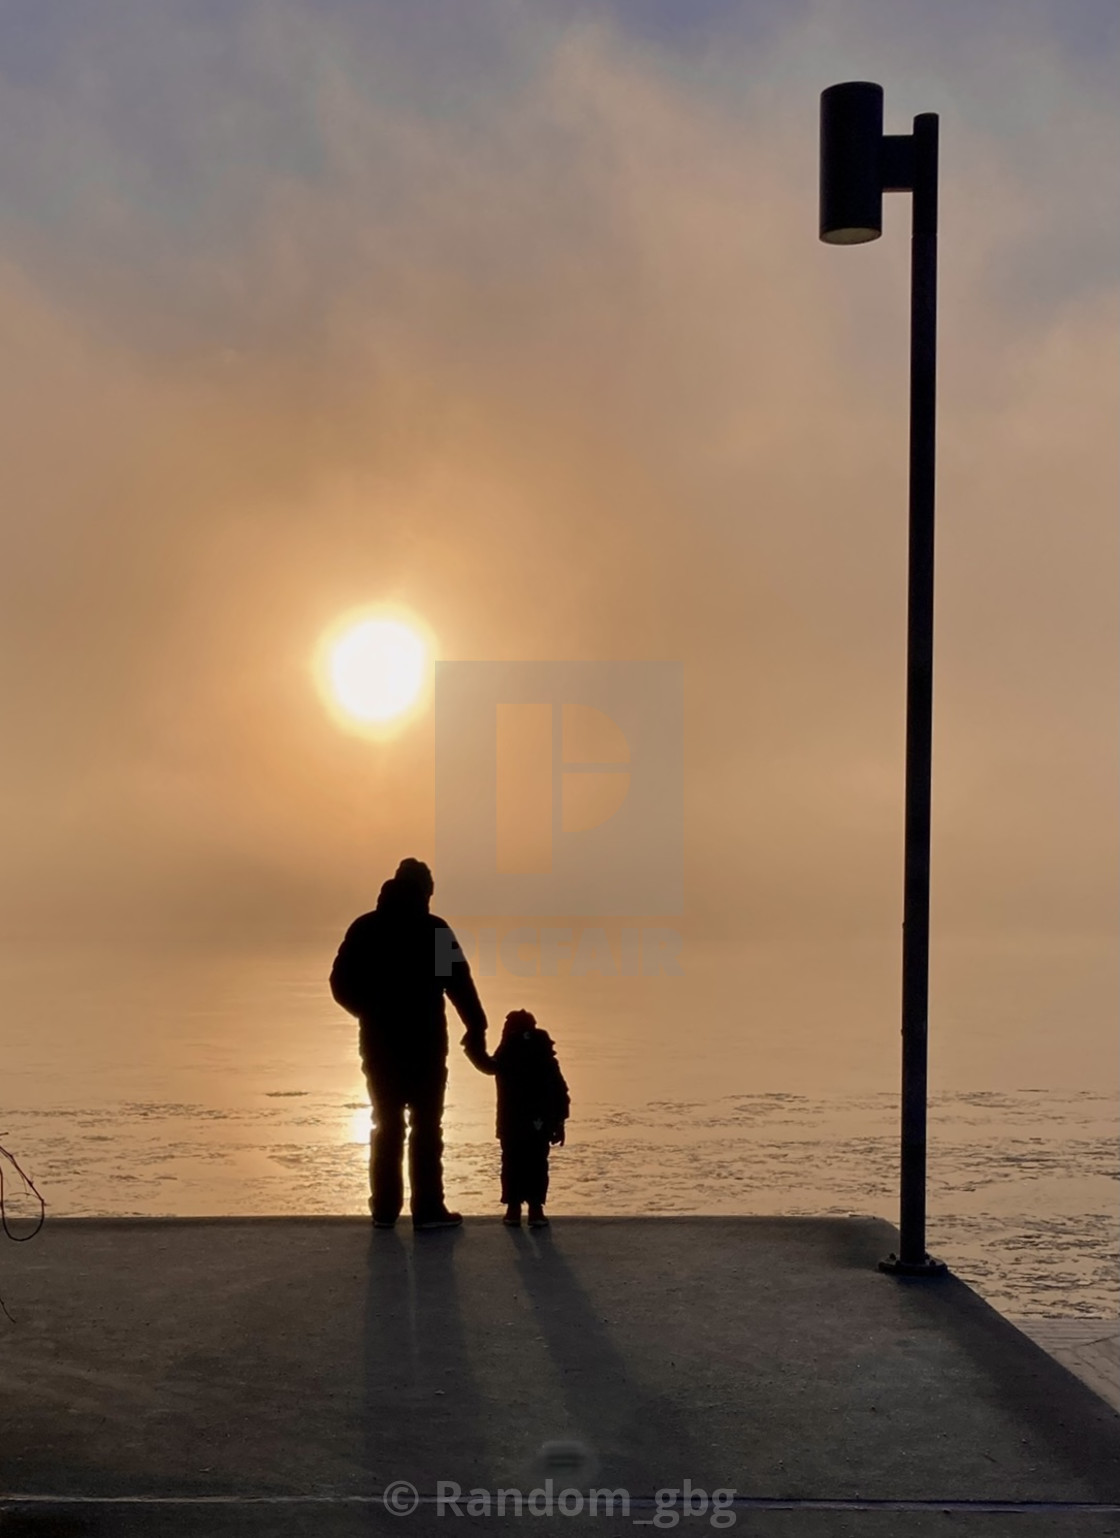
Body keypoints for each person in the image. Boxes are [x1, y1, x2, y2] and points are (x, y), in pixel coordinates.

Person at [329, 858, 491, 1230]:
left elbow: (339, 984)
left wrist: (370, 1012)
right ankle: (428, 1210)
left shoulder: (366, 928)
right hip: (426, 1044)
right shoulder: (435, 930)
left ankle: (384, 1211)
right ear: (424, 891)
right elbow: (460, 984)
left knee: (386, 1124)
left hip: (379, 1045)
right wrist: (477, 1026)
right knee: (426, 1126)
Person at [488, 1010, 569, 1229]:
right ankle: (535, 1210)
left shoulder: (505, 1054)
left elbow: (487, 1066)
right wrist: (559, 1122)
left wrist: (470, 1044)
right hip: (539, 1121)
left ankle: (513, 1209)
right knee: (537, 1164)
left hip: (512, 1121)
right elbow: (560, 1091)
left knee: (512, 1163)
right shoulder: (544, 1055)